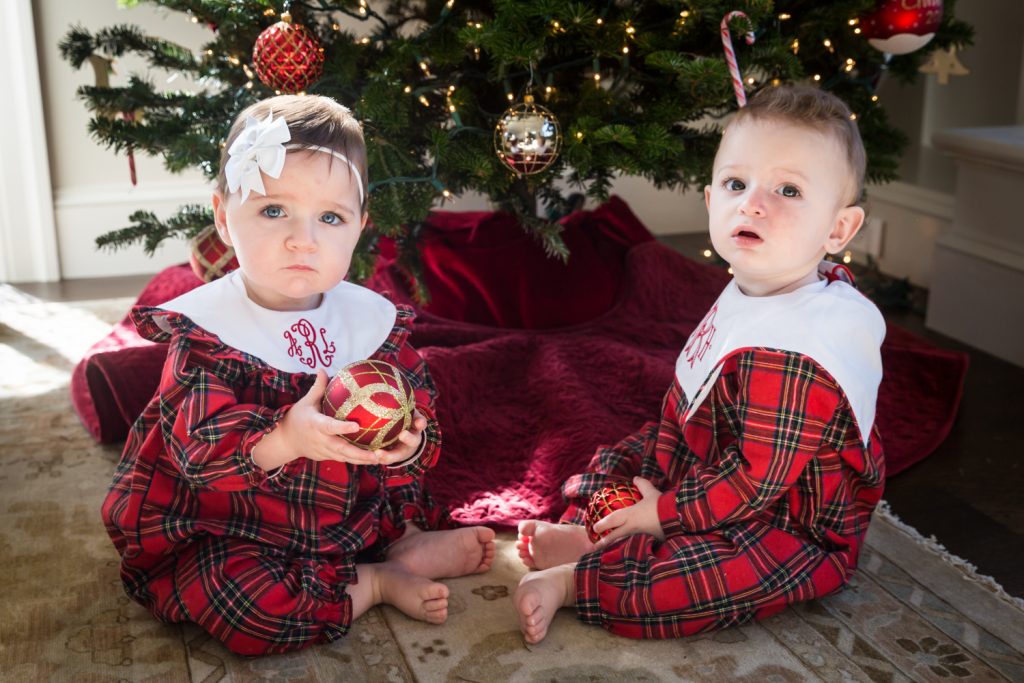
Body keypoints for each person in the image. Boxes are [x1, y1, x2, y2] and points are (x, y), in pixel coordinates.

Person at [102, 94, 495, 656]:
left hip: (346, 510)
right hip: (235, 526)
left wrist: (409, 445)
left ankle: (400, 543)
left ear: (359, 228)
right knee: (243, 606)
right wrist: (286, 438)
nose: (303, 239)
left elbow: (420, 405)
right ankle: (372, 581)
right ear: (222, 216)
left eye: (329, 217)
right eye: (273, 210)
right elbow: (198, 456)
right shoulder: (210, 332)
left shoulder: (366, 322)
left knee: (403, 493)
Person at [514, 85, 886, 643]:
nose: (754, 203)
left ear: (838, 230)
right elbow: (685, 407)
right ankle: (601, 531)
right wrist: (658, 473)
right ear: (712, 201)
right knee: (620, 456)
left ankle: (578, 579)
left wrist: (661, 511)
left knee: (694, 582)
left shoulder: (803, 347)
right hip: (716, 460)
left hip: (783, 520)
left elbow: (755, 483)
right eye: (737, 184)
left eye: (788, 189)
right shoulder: (756, 286)